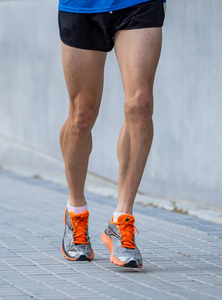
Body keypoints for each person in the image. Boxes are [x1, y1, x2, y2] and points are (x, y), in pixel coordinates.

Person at [59, 0, 166, 268]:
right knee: (82, 115)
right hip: (82, 6)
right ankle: (76, 213)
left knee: (140, 104)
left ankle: (122, 220)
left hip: (138, 4)